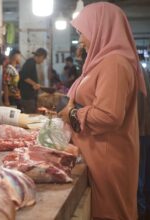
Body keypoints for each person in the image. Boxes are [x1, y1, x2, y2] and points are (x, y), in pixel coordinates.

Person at [58, 2, 147, 220]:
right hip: (95, 151)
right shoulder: (100, 62)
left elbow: (109, 116)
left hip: (108, 156)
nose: (80, 40)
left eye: (83, 32)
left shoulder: (114, 64)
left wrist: (71, 114)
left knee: (109, 213)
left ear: (101, 28)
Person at [137, 66, 150, 220]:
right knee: (145, 172)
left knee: (139, 174)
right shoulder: (142, 70)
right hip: (146, 129)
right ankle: (144, 208)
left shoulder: (129, 68)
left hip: (139, 130)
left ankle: (140, 210)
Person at [19, 48, 47, 113]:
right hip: (27, 97)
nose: (42, 61)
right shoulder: (30, 63)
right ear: (41, 56)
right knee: (30, 116)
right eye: (43, 59)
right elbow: (24, 76)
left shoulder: (32, 63)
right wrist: (34, 84)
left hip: (30, 96)